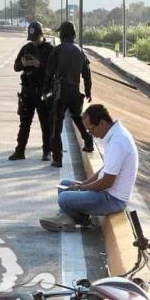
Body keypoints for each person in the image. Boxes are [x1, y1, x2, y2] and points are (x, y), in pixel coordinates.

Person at [39, 104, 138, 232]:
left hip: (112, 199)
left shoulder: (118, 142)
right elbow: (105, 169)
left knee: (64, 198)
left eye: (91, 129)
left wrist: (81, 188)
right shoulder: (114, 135)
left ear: (102, 123)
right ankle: (69, 218)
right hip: (105, 192)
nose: (90, 134)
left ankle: (67, 218)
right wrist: (82, 183)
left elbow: (107, 182)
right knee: (64, 184)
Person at [43, 21, 94, 169]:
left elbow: (49, 73)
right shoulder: (80, 51)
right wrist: (88, 91)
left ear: (63, 34)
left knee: (56, 126)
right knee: (78, 119)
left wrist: (46, 91)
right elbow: (87, 74)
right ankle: (88, 142)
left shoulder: (58, 50)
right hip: (75, 92)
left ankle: (57, 159)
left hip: (60, 93)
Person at [8, 21, 53, 162]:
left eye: (36, 39)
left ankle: (47, 152)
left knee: (46, 124)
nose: (33, 42)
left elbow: (55, 70)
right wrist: (23, 64)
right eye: (31, 39)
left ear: (41, 35)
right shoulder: (26, 48)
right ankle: (20, 151)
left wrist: (39, 65)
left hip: (43, 93)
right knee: (25, 123)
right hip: (28, 92)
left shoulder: (50, 49)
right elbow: (16, 67)